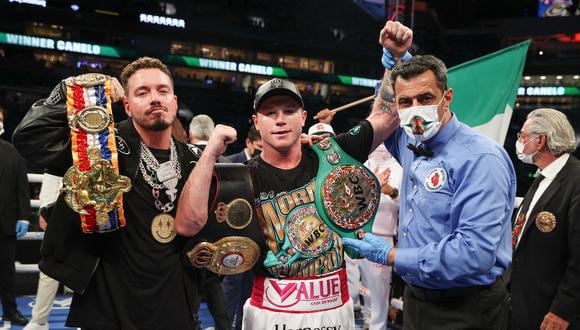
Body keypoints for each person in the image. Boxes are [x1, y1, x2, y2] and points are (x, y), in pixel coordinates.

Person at [175, 21, 409, 329]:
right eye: (270, 113)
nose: (280, 120)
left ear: (303, 117)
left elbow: (387, 117)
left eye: (288, 111)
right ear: (256, 122)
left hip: (333, 306)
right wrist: (209, 154)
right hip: (274, 311)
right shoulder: (242, 177)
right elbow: (187, 225)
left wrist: (395, 60)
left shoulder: (332, 153)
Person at [12, 57, 203, 329]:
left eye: (162, 90)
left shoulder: (194, 159)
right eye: (142, 92)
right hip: (108, 308)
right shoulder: (99, 148)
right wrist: (84, 85)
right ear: (125, 104)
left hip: (175, 308)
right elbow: (29, 136)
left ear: (174, 100)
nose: (155, 98)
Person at [342, 38, 516, 328]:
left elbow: (475, 252)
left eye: (425, 98)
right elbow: (382, 115)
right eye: (405, 102)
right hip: (417, 299)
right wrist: (398, 59)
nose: (415, 110)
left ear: (447, 98)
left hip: (466, 307)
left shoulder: (481, 158)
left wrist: (392, 255)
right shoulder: (412, 140)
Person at [510, 108, 580, 330]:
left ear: (539, 141)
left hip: (551, 310)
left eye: (522, 136)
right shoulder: (543, 176)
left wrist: (562, 310)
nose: (519, 142)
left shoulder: (576, 180)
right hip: (523, 301)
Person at [0, 105, 31, 327]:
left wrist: (24, 217)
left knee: (7, 274)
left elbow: (22, 187)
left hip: (5, 224)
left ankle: (11, 311)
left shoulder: (12, 152)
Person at [23, 173, 62, 330]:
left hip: (95, 213)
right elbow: (52, 173)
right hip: (61, 213)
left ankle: (89, 320)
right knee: (49, 267)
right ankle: (39, 321)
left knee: (95, 270)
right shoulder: (63, 148)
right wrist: (45, 209)